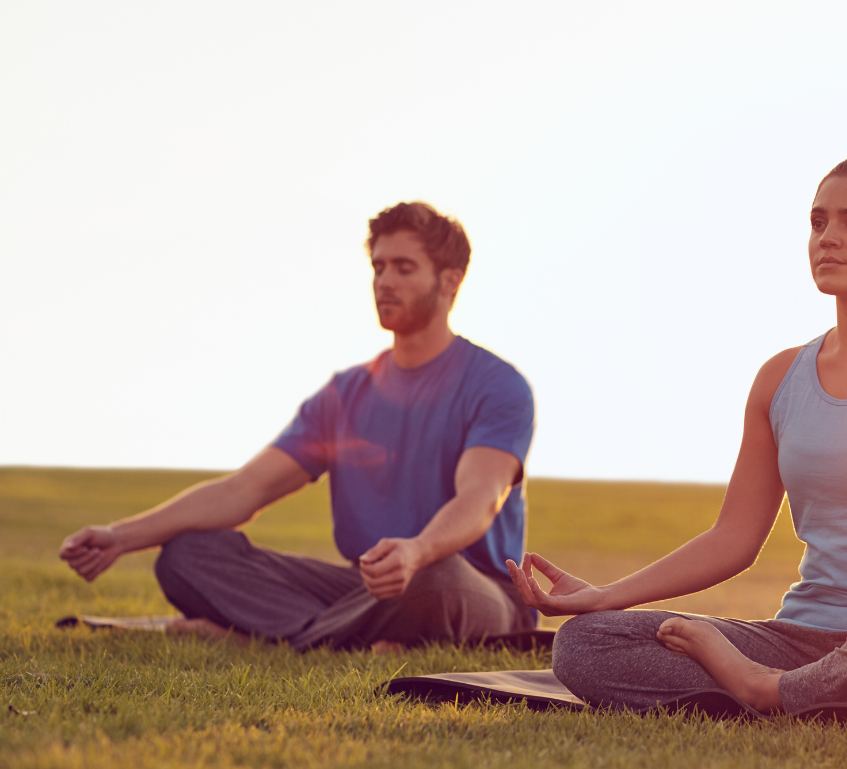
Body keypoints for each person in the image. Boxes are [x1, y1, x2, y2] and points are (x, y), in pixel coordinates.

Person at [508, 157, 847, 712]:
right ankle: (795, 692)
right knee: (587, 642)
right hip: (797, 641)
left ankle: (762, 692)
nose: (827, 238)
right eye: (818, 221)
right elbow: (732, 538)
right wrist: (603, 598)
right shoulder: (780, 378)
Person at [59, 202, 537, 651]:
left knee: (435, 576)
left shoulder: (497, 386)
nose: (384, 281)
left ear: (450, 281)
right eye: (378, 267)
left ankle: (263, 633)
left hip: (471, 589)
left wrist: (416, 551)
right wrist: (121, 537)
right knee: (187, 555)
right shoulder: (345, 394)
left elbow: (480, 499)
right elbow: (243, 491)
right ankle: (337, 636)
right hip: (364, 587)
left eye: (403, 268)